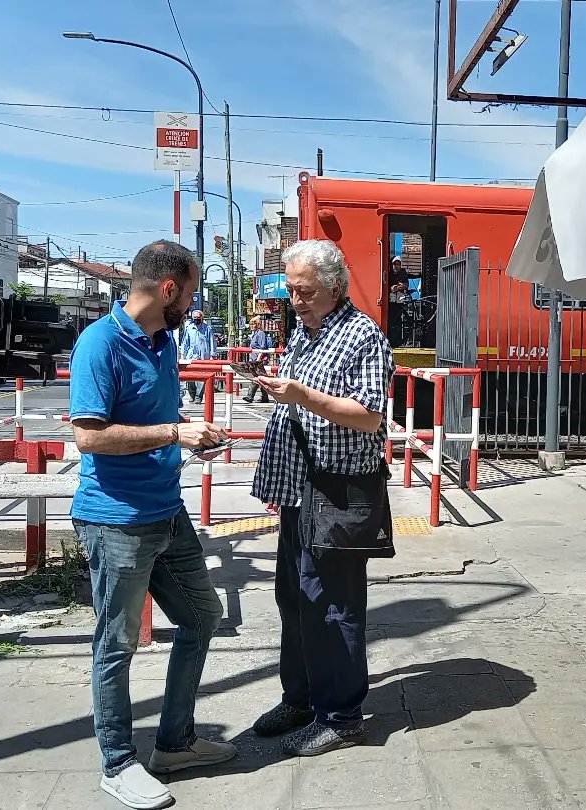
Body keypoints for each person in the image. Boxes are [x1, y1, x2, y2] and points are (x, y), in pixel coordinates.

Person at [68, 240, 235, 810]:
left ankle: (175, 742)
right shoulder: (100, 344)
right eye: (190, 293)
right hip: (116, 521)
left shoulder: (163, 341)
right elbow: (89, 437)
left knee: (202, 618)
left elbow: (156, 418)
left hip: (168, 512)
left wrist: (189, 430)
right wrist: (172, 434)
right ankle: (118, 763)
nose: (193, 304)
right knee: (115, 645)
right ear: (168, 289)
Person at [251, 239, 394, 757]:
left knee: (332, 604)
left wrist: (301, 396)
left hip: (336, 489)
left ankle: (342, 716)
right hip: (299, 489)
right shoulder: (305, 333)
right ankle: (302, 698)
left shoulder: (362, 335)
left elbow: (369, 414)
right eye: (290, 289)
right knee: (293, 598)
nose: (295, 299)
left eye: (304, 290)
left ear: (335, 286)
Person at [180, 308, 217, 404]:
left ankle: (198, 397)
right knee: (189, 378)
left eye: (198, 317)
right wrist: (183, 355)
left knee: (201, 378)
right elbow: (185, 343)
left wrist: (213, 355)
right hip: (191, 357)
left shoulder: (207, 329)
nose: (196, 319)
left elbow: (212, 342)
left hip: (203, 357)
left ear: (202, 318)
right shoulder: (189, 329)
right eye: (194, 317)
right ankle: (192, 395)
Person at [242, 315, 272, 404]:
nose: (251, 326)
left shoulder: (260, 333)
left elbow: (262, 347)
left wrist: (259, 358)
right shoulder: (255, 334)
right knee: (260, 378)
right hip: (255, 358)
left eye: (253, 324)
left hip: (259, 359)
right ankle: (264, 397)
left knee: (257, 378)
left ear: (257, 324)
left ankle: (250, 396)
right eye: (250, 324)